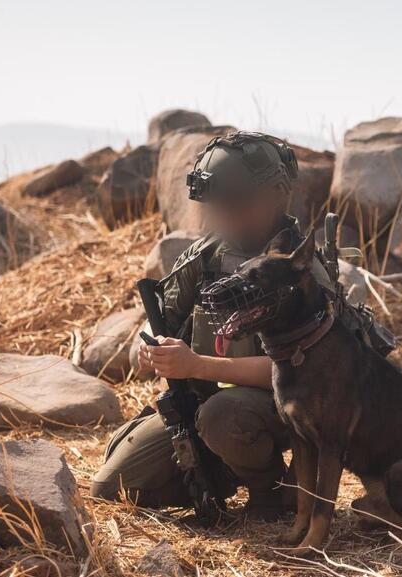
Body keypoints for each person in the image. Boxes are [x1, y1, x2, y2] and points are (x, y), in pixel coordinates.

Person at [91, 131, 307, 520]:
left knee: (222, 416)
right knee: (111, 488)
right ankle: (223, 469)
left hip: (284, 408)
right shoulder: (206, 256)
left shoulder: (298, 268)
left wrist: (198, 366)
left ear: (276, 194)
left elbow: (295, 370)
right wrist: (154, 352)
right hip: (203, 404)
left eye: (237, 203)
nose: (224, 216)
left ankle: (271, 489)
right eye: (218, 206)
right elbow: (164, 324)